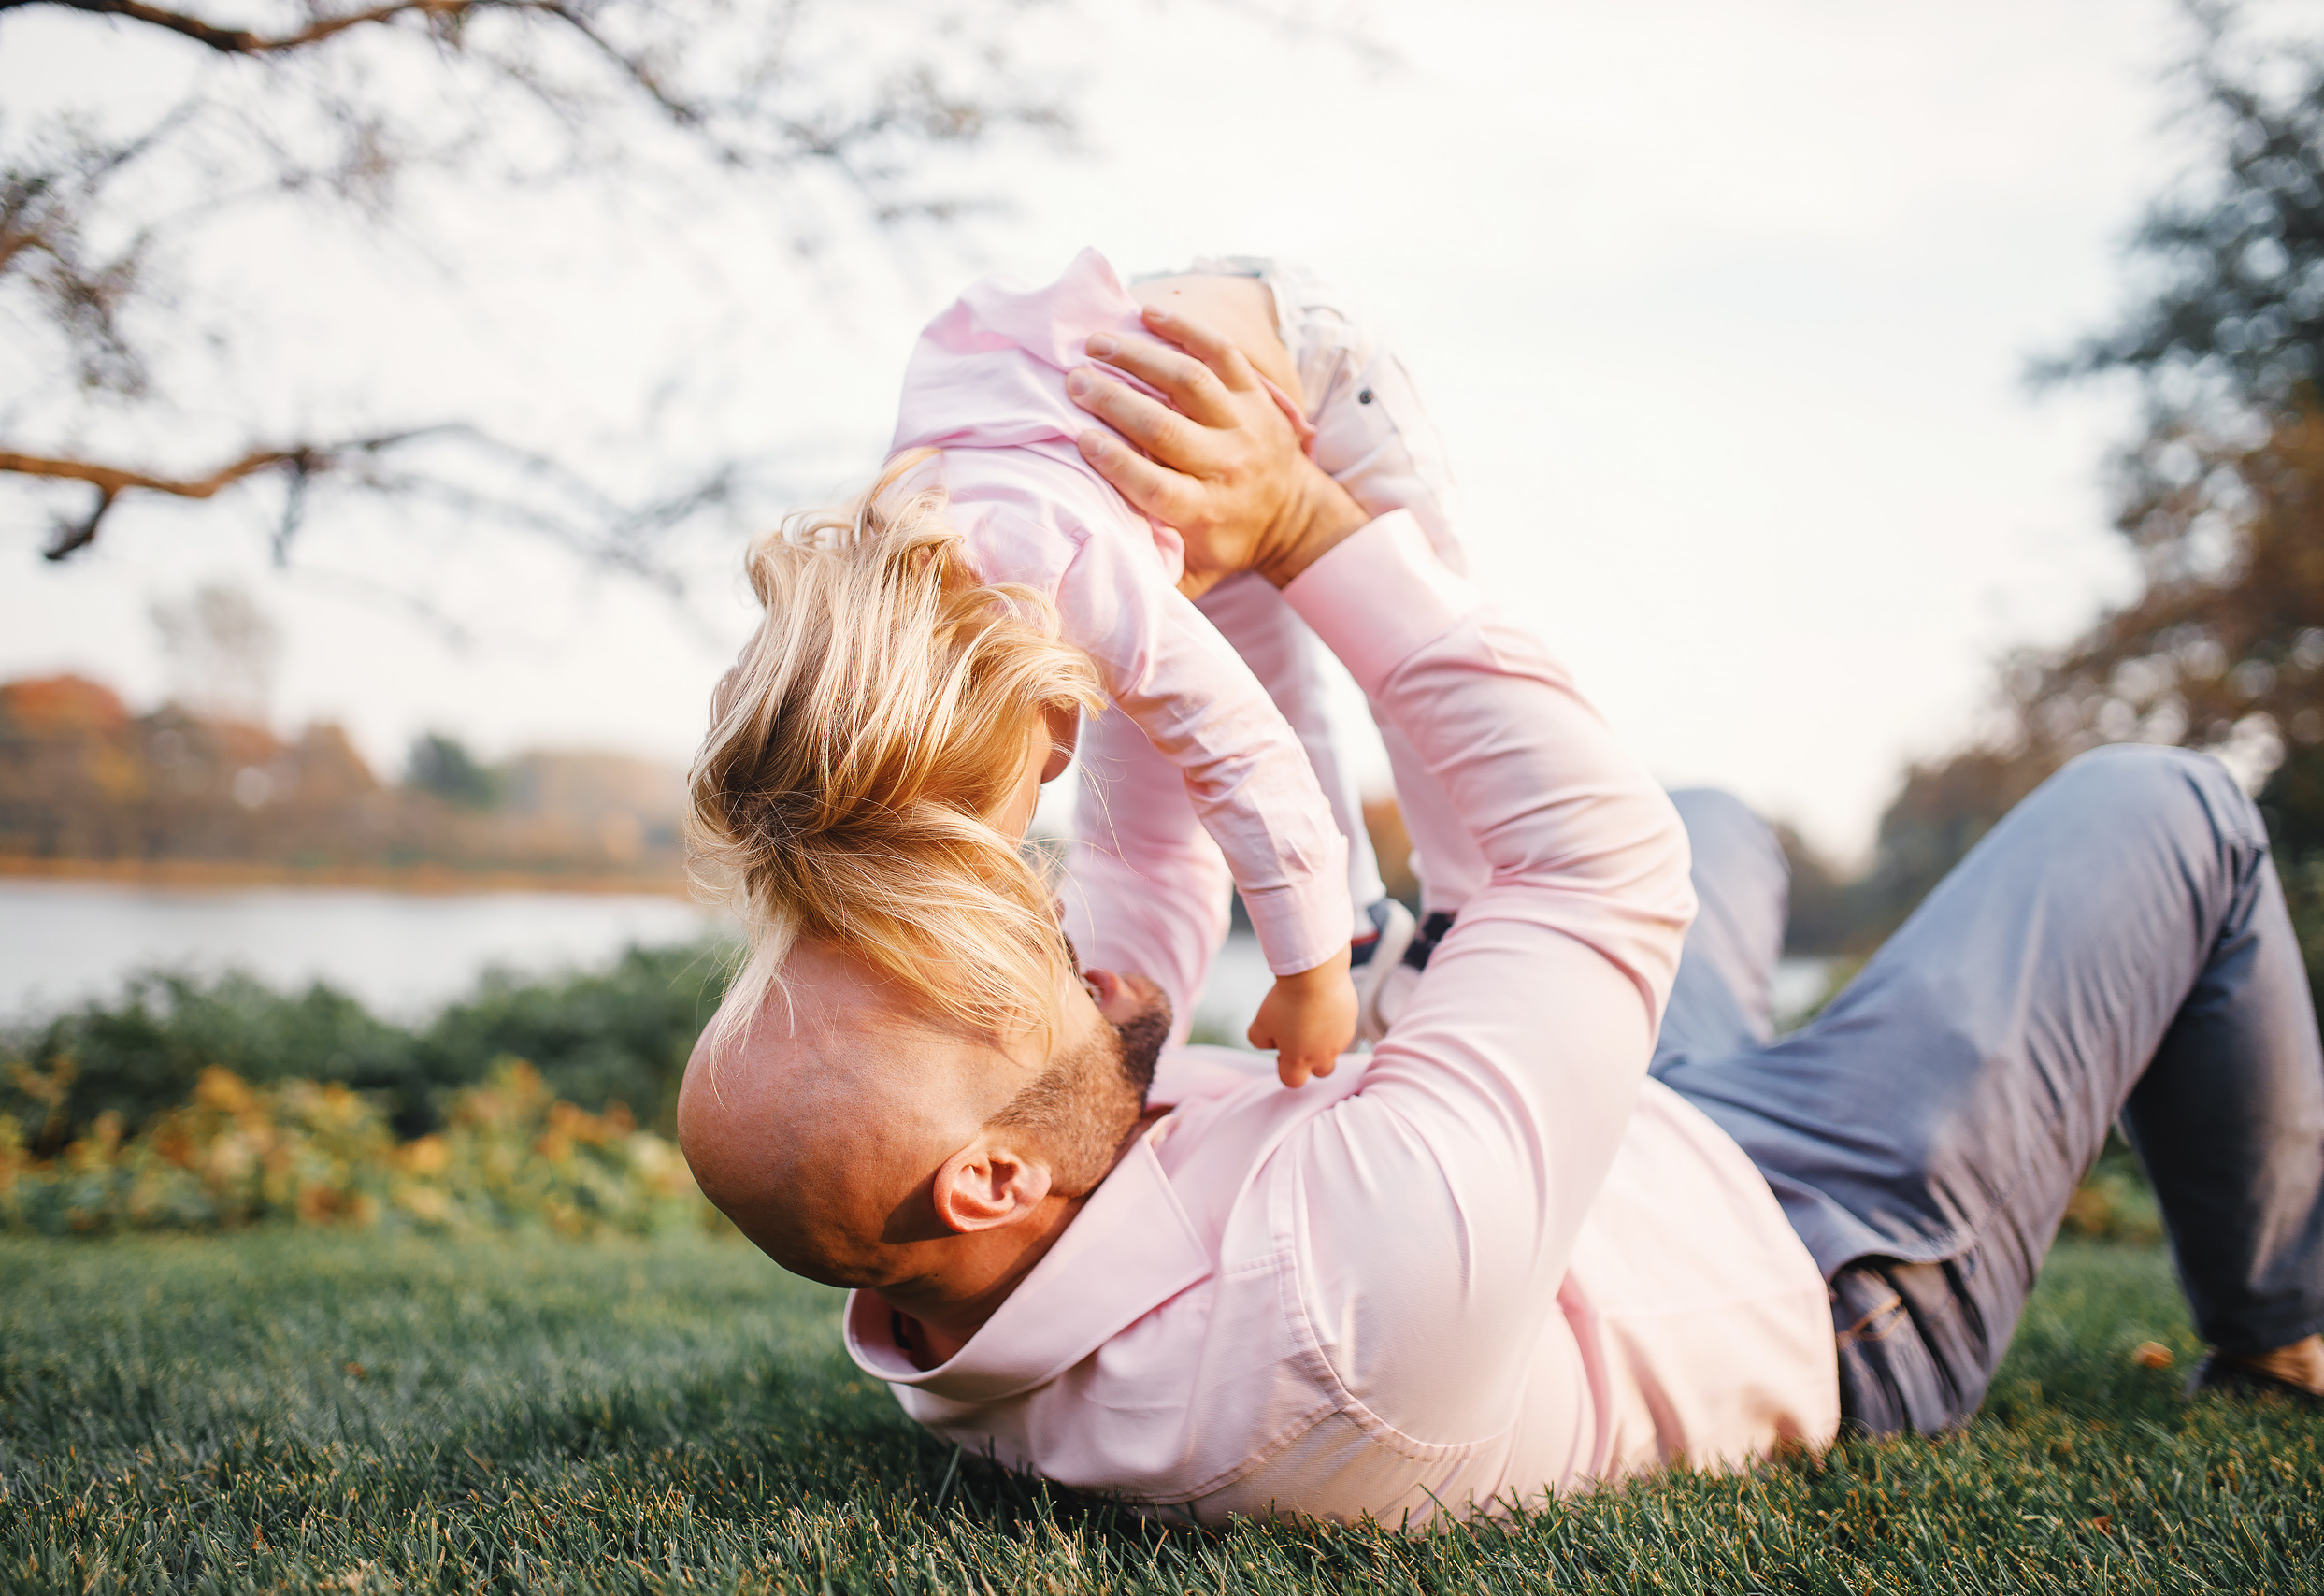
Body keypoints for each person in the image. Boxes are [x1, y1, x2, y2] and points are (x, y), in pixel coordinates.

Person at [678, 296, 2324, 1529]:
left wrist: (1183, 557)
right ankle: (2286, 1328)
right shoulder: (1340, 1303)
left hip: (1599, 1177)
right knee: (2163, 807)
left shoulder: (963, 1251)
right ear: (988, 1173)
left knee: (1722, 819)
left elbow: (1144, 847)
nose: (1032, 923)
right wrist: (1316, 522)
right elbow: (1590, 866)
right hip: (1816, 1253)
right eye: (997, 962)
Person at [695, 251, 1461, 1092]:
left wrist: (1306, 979)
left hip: (1301, 362)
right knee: (1240, 701)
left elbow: (1250, 759)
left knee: (1420, 632)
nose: (1043, 799)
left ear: (1023, 713)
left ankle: (1459, 897)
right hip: (1126, 459)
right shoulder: (879, 606)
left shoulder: (1071, 571)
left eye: (1013, 807)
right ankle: (1348, 928)